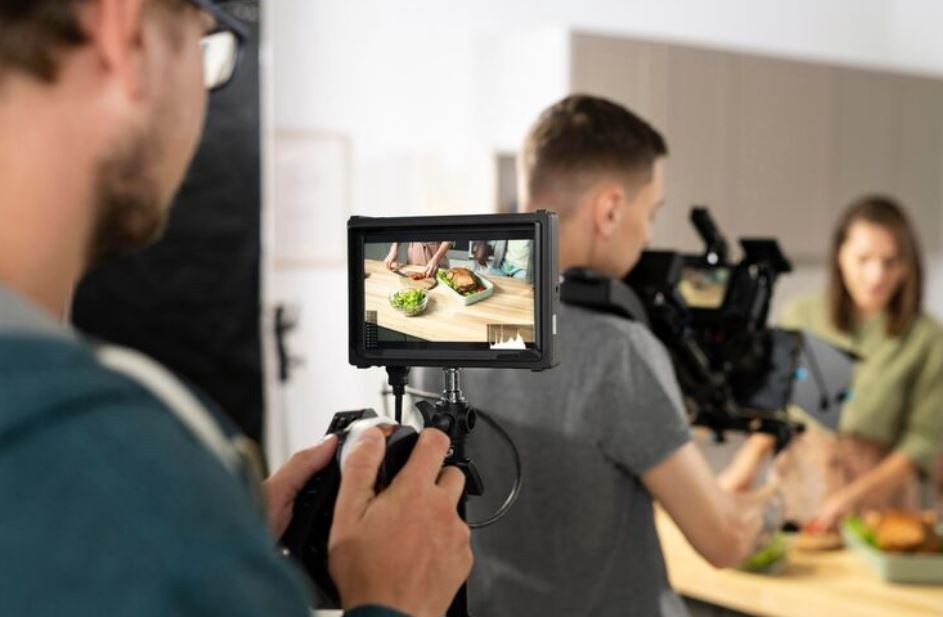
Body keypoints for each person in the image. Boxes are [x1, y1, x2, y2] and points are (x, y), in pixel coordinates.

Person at [0, 2, 471, 616]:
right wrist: (393, 601)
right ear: (123, 31)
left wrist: (222, 537)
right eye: (205, 48)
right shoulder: (110, 460)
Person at [453, 95, 778, 617]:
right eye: (649, 214)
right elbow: (724, 541)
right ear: (609, 210)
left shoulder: (448, 326)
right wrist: (778, 499)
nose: (648, 234)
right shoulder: (619, 350)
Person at [719, 196, 943, 530]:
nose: (876, 275)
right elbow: (778, 406)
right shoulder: (803, 316)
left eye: (890, 262)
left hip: (880, 501)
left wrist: (852, 499)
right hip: (801, 485)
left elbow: (921, 443)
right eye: (863, 259)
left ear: (908, 266)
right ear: (840, 256)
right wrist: (745, 465)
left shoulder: (927, 339)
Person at [384, 241, 451, 278]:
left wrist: (437, 258)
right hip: (415, 252)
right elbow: (400, 226)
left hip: (437, 253)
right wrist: (393, 249)